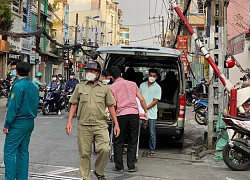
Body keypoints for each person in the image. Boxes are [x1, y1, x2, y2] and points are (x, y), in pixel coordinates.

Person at [65, 60, 120, 180]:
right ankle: (86, 178)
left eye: (92, 71)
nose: (89, 73)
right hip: (84, 126)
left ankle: (99, 171)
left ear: (98, 74)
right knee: (85, 154)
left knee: (105, 149)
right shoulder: (80, 87)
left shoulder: (105, 88)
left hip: (100, 125)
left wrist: (116, 124)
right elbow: (74, 104)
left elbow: (111, 106)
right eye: (87, 71)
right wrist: (69, 122)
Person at [2, 62, 39, 180]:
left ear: (16, 71)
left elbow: (13, 106)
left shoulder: (18, 87)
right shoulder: (33, 86)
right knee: (23, 152)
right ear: (29, 72)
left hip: (18, 122)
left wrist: (7, 123)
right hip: (29, 122)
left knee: (9, 152)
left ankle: (10, 178)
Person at [109, 66, 148, 173]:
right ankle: (131, 166)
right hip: (134, 115)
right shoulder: (133, 84)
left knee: (118, 140)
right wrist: (146, 112)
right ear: (121, 74)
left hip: (121, 115)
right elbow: (142, 99)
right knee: (133, 139)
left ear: (112, 77)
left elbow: (113, 104)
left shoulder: (112, 87)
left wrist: (113, 115)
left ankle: (119, 166)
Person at [140, 69, 162, 157]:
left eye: (154, 76)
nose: (152, 77)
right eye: (150, 75)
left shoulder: (158, 87)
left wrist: (146, 108)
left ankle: (152, 150)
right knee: (136, 131)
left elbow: (155, 101)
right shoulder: (142, 85)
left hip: (151, 114)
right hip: (141, 112)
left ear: (156, 77)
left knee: (152, 132)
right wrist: (142, 108)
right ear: (148, 75)